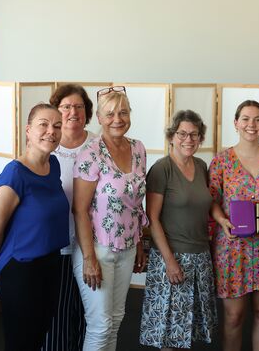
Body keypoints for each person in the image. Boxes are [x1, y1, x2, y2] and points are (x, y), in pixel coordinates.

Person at [0, 103, 69, 351]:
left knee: (37, 337)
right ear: (28, 130)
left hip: (51, 265)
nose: (50, 131)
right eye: (43, 124)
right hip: (20, 271)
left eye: (57, 126)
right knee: (20, 342)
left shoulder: (52, 165)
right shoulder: (15, 173)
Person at [73, 86, 148, 351]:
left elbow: (135, 205)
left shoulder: (138, 149)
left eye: (123, 112)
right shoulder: (90, 154)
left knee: (116, 321)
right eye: (110, 113)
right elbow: (79, 210)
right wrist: (90, 258)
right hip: (98, 250)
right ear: (100, 119)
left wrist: (139, 243)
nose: (118, 118)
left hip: (127, 248)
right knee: (100, 325)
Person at [209, 100, 259, 351]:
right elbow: (210, 200)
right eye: (245, 119)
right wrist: (222, 221)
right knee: (234, 316)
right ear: (235, 123)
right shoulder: (221, 161)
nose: (251, 125)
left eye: (257, 119)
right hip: (232, 246)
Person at [140, 110, 217, 350]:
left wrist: (223, 219)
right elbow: (152, 218)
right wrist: (170, 261)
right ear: (172, 136)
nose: (189, 139)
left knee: (188, 331)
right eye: (182, 133)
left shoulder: (202, 166)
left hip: (201, 256)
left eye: (194, 135)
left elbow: (206, 203)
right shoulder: (161, 169)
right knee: (170, 333)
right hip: (171, 258)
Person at [42, 84, 95, 351]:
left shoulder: (99, 146)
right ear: (56, 111)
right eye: (66, 107)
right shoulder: (46, 147)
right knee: (58, 316)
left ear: (87, 112)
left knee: (91, 315)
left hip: (92, 247)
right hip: (58, 245)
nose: (73, 112)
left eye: (79, 106)